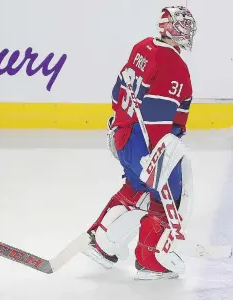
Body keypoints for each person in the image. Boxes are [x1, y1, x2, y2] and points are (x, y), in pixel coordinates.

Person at [81, 6, 197, 280]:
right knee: (169, 198)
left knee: (135, 188)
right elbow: (158, 119)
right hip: (146, 146)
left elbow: (117, 90)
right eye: (182, 25)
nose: (187, 31)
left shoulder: (142, 47)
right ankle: (150, 260)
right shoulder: (175, 65)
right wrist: (159, 158)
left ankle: (102, 241)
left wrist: (120, 125)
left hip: (123, 135)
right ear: (171, 29)